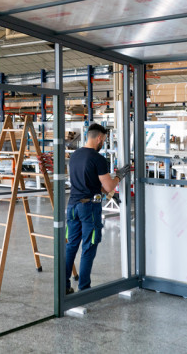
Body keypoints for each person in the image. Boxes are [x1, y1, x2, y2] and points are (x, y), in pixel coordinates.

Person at [65, 123, 131, 294]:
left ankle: (63, 285)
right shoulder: (97, 158)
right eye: (104, 140)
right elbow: (109, 187)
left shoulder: (75, 156)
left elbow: (92, 186)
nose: (104, 143)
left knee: (71, 245)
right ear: (99, 138)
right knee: (89, 246)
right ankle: (84, 289)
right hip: (88, 209)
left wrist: (103, 189)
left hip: (72, 206)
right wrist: (119, 176)